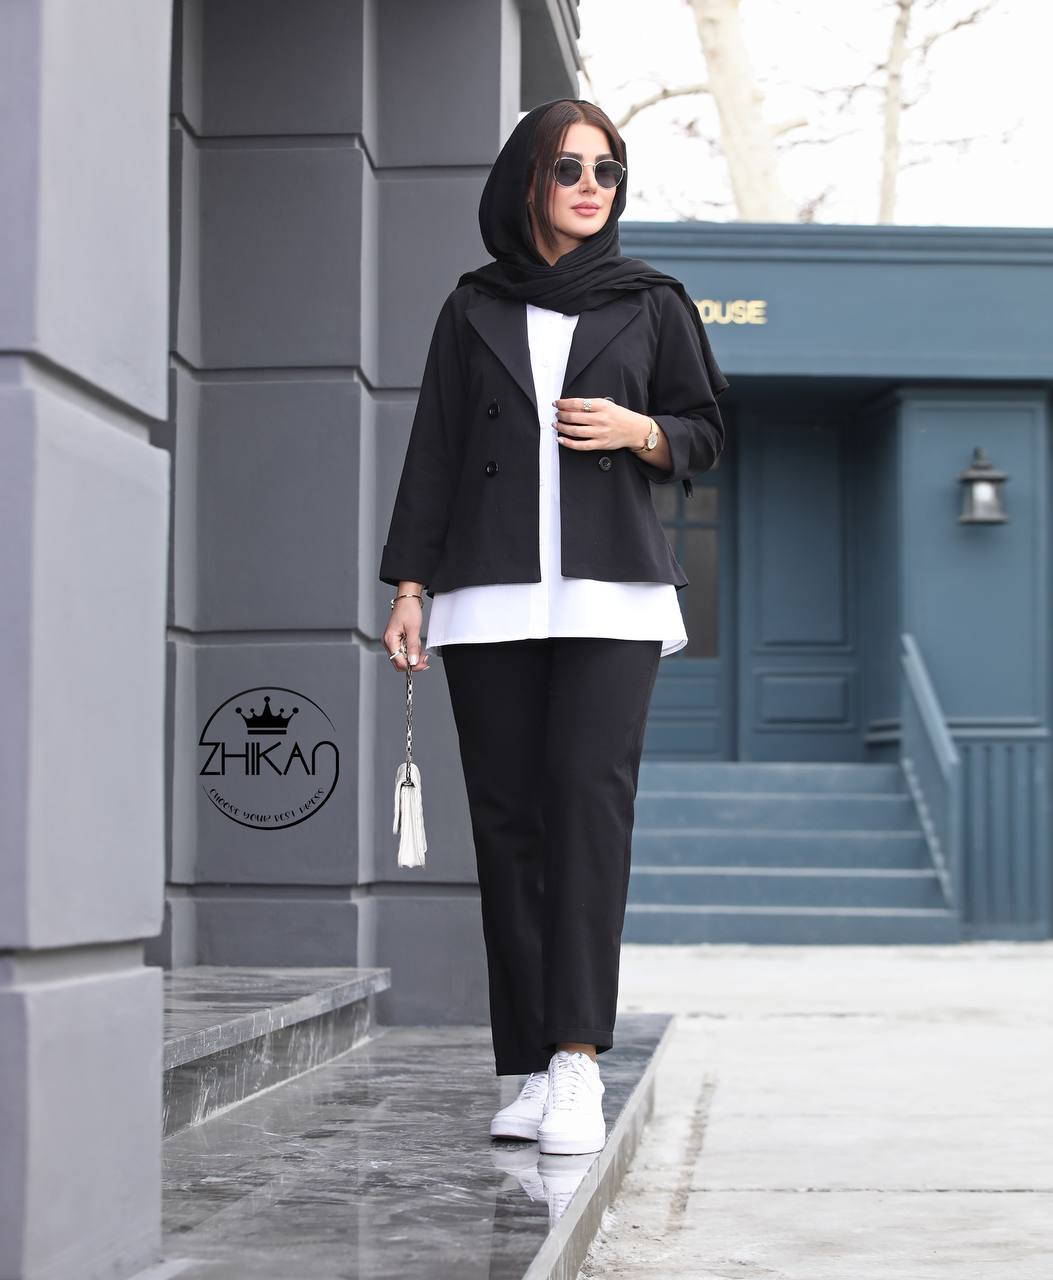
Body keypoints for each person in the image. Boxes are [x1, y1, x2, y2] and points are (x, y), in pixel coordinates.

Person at [379, 98, 728, 1156]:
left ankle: (578, 1058)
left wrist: (639, 429)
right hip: (486, 593)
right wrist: (409, 586)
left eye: (607, 170)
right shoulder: (472, 306)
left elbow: (707, 431)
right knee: (507, 823)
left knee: (585, 807)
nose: (590, 186)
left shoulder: (651, 301)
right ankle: (530, 1065)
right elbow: (434, 451)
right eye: (569, 167)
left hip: (610, 593)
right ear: (526, 181)